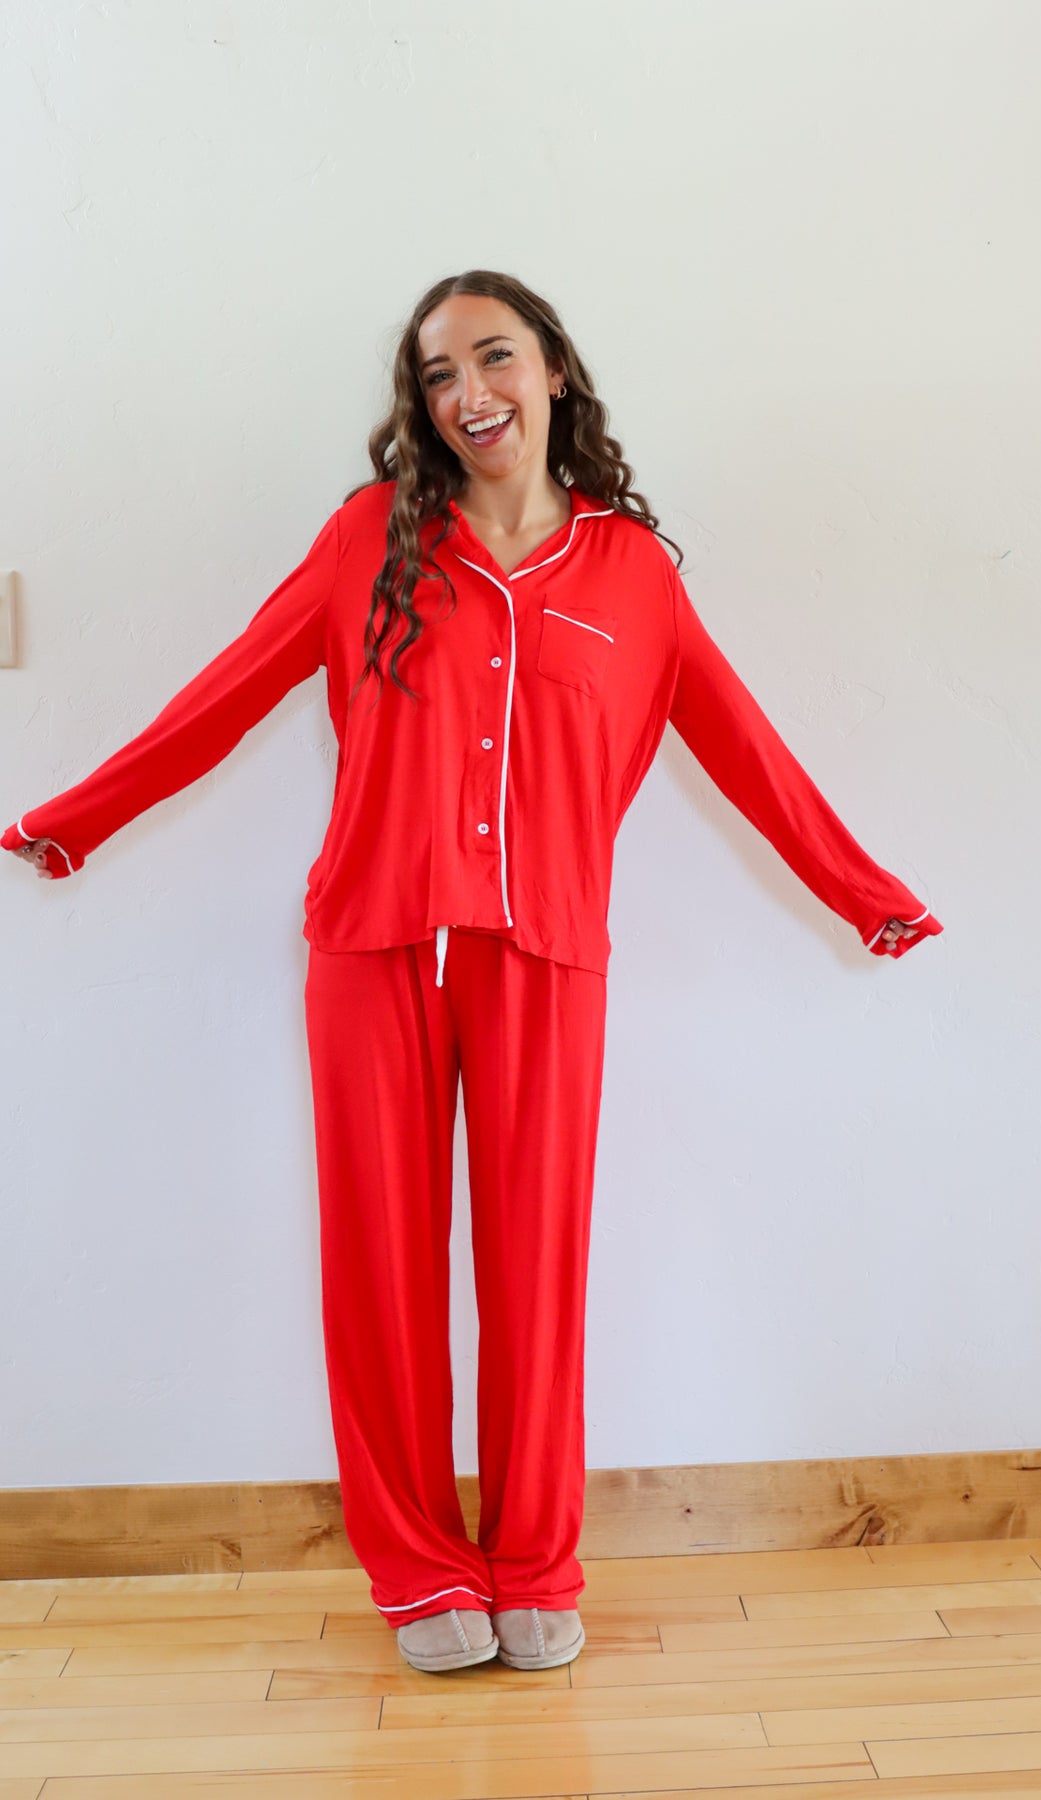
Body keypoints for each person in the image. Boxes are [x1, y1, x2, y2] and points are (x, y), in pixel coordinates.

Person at [4, 268, 943, 1676]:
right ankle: (421, 1573)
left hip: (549, 957)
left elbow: (751, 754)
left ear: (553, 370)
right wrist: (69, 823)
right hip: (372, 949)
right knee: (378, 1274)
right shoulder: (366, 540)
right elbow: (225, 691)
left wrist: (864, 895)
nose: (467, 396)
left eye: (492, 359)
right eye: (438, 375)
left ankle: (533, 1561)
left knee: (536, 1275)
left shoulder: (634, 575)